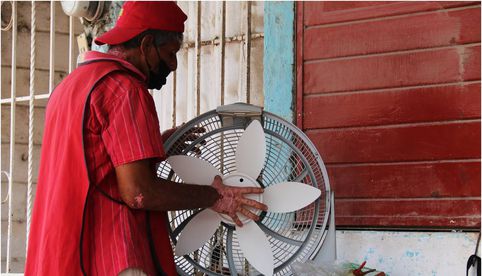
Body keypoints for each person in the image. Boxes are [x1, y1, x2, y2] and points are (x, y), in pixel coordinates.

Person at [24, 2, 267, 276]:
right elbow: (139, 193)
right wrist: (216, 196)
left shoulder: (72, 85)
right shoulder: (125, 89)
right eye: (171, 53)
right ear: (147, 44)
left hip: (59, 252)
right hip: (110, 255)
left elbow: (94, 159)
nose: (173, 65)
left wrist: (156, 144)